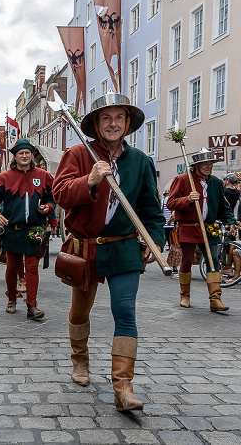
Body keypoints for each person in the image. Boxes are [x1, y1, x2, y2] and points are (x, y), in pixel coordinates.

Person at [52, 92, 164, 412]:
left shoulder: (141, 161)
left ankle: (123, 386)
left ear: (127, 123)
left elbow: (151, 210)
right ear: (96, 124)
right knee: (80, 312)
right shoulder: (77, 153)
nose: (113, 124)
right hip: (84, 247)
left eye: (119, 118)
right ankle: (80, 360)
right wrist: (90, 179)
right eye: (106, 118)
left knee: (125, 311)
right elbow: (60, 193)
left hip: (124, 246)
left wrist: (153, 240)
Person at [0, 138, 55, 320]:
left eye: (27, 153)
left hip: (35, 230)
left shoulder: (44, 176)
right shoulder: (4, 178)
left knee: (32, 268)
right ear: (15, 156)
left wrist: (48, 208)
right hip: (12, 230)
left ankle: (32, 306)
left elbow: (51, 199)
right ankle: (12, 296)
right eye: (20, 153)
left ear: (32, 155)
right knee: (12, 268)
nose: (24, 156)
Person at [167, 148, 236, 311]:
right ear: (196, 165)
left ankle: (215, 299)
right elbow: (171, 203)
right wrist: (187, 199)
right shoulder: (183, 179)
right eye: (205, 164)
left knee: (213, 262)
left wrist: (229, 221)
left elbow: (223, 206)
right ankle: (185, 295)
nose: (209, 167)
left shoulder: (217, 183)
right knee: (187, 261)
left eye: (211, 164)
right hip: (188, 227)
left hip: (209, 228)